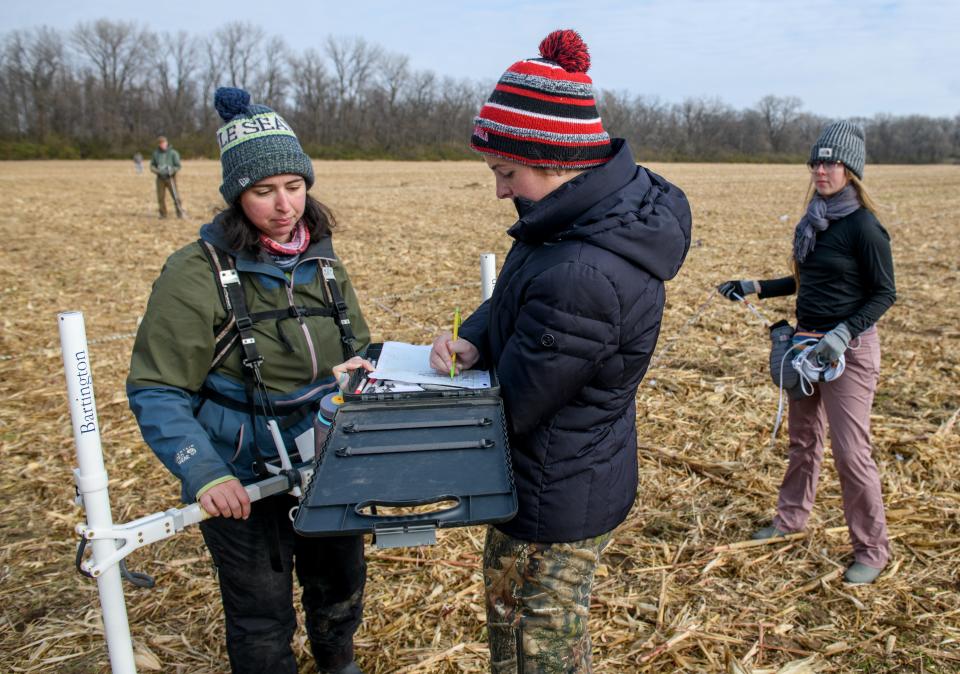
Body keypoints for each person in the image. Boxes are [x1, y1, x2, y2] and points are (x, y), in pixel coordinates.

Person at [428, 30, 691, 672]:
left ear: (554, 158)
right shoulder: (575, 220)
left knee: (532, 646)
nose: (499, 190)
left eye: (505, 173)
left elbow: (512, 405)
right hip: (573, 471)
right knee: (549, 637)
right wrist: (477, 336)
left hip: (553, 495)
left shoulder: (585, 270)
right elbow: (522, 293)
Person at [127, 87, 368, 674]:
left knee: (339, 591)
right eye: (264, 192)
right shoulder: (195, 273)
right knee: (261, 616)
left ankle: (338, 664)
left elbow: (359, 352)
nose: (284, 205)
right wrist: (203, 471)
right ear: (237, 196)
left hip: (330, 464)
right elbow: (157, 388)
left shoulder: (324, 263)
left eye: (294, 186)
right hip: (244, 478)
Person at [717, 120, 896, 585]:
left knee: (852, 452)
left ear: (850, 170)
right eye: (815, 161)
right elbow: (808, 281)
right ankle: (790, 519)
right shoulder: (815, 220)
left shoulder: (865, 227)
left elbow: (883, 294)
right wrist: (754, 286)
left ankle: (873, 549)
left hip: (847, 352)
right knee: (803, 442)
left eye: (830, 162)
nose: (820, 169)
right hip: (805, 347)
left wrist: (843, 332)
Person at [150, 135, 184, 218]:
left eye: (164, 143)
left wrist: (172, 170)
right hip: (160, 178)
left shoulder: (173, 153)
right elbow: (152, 166)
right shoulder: (155, 154)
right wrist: (158, 171)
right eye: (161, 143)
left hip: (171, 178)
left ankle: (179, 213)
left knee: (175, 196)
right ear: (159, 144)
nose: (162, 145)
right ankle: (163, 214)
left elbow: (178, 166)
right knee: (160, 197)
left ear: (167, 143)